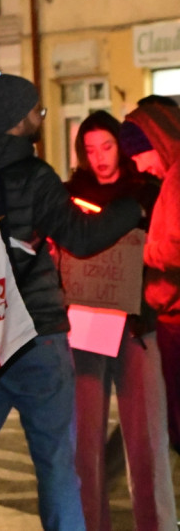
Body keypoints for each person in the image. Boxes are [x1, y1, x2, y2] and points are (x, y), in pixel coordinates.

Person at [0, 74, 143, 531]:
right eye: (38, 110)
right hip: (38, 335)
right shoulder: (34, 175)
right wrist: (132, 209)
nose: (41, 117)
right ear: (21, 119)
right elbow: (81, 235)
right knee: (56, 464)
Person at [63, 110, 174, 531]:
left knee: (146, 440)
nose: (99, 158)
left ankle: (157, 524)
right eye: (90, 150)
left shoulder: (147, 190)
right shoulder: (71, 193)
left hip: (135, 330)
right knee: (85, 445)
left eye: (106, 146)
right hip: (86, 328)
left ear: (121, 147)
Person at [121, 101, 180, 455]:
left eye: (141, 154)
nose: (141, 166)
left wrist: (141, 252)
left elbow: (174, 250)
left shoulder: (176, 179)